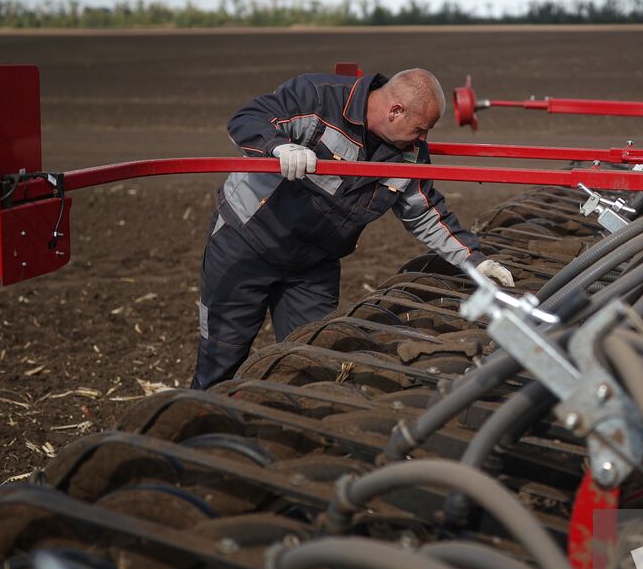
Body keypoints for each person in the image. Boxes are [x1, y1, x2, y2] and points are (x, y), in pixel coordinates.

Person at [192, 67, 513, 389]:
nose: (423, 139)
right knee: (223, 356)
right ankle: (203, 425)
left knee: (311, 361)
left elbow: (425, 212)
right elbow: (249, 118)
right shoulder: (320, 97)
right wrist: (277, 147)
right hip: (247, 244)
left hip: (314, 264)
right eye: (420, 129)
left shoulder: (409, 154)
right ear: (395, 111)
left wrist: (475, 260)